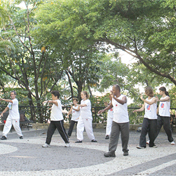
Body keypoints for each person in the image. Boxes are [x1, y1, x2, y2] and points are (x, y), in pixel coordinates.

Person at [98, 85, 129, 157]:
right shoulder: (113, 99)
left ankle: (125, 150)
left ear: (117, 90)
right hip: (115, 120)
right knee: (113, 136)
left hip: (124, 120)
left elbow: (123, 102)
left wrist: (114, 98)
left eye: (113, 90)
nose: (112, 91)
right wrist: (103, 110)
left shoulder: (123, 97)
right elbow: (111, 106)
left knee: (125, 137)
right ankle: (111, 151)